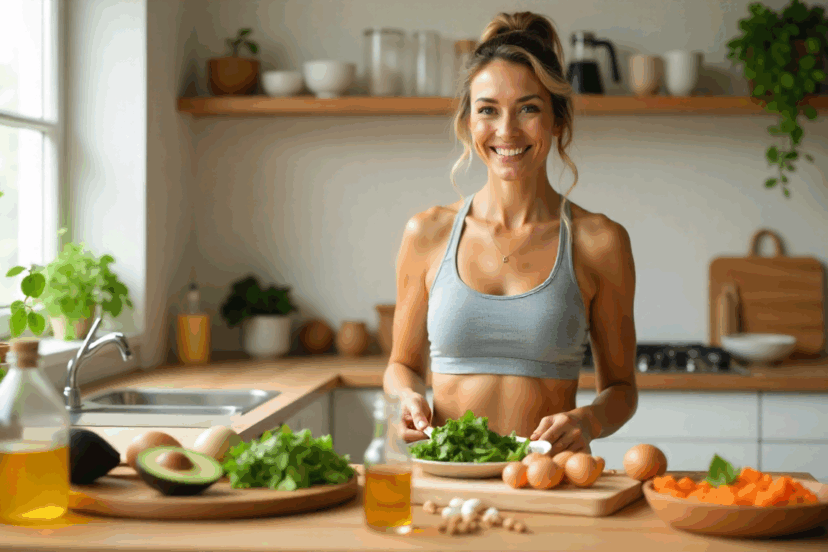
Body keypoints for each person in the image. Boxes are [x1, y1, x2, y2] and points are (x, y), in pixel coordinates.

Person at [382, 11, 638, 456]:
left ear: (557, 119)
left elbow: (621, 388)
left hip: (546, 479)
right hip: (448, 478)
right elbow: (401, 365)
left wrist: (589, 420)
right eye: (488, 110)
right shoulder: (427, 233)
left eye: (528, 108)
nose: (506, 131)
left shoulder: (600, 242)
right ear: (468, 121)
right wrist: (406, 397)